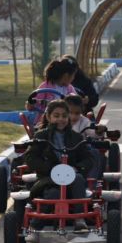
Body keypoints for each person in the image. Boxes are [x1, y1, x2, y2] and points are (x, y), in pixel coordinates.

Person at [24, 100, 94, 234]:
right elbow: (30, 157)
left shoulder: (76, 137)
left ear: (68, 117)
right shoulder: (41, 136)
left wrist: (77, 168)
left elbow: (88, 158)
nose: (60, 119)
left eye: (64, 116)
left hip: (71, 177)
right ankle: (38, 222)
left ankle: (79, 219)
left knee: (79, 179)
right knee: (53, 193)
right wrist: (48, 168)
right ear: (49, 117)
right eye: (56, 116)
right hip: (48, 179)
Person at [26, 58, 79, 124]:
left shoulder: (69, 88)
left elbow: (76, 102)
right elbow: (33, 103)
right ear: (66, 76)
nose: (73, 78)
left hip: (64, 122)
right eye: (73, 76)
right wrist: (31, 104)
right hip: (45, 122)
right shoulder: (45, 86)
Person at [65, 94, 106, 179]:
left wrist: (98, 130)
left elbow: (92, 132)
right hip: (61, 150)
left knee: (94, 152)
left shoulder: (84, 121)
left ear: (82, 111)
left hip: (80, 151)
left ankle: (91, 181)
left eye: (77, 113)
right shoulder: (61, 120)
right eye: (70, 112)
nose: (73, 116)